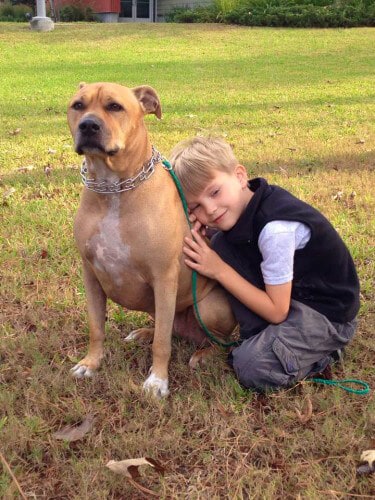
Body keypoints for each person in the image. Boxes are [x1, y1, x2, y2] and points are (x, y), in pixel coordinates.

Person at [169, 136, 360, 392]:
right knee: (220, 245)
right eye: (197, 207)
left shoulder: (275, 230)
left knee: (251, 366)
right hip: (294, 298)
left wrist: (218, 269)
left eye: (214, 192)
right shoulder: (245, 206)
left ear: (239, 176)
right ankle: (264, 337)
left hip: (326, 314)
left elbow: (277, 311)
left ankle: (327, 351)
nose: (211, 209)